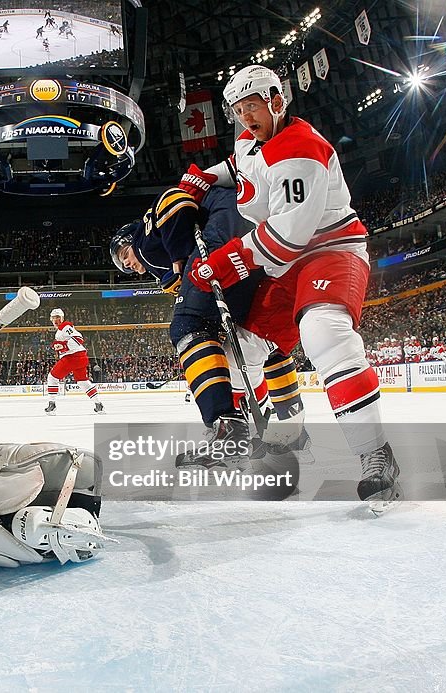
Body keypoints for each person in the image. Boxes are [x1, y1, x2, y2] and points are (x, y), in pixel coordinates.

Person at [178, 65, 399, 509]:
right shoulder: (251, 137)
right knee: (242, 348)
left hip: (330, 249)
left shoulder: (300, 148)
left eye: (252, 107)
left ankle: (377, 455)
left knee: (324, 332)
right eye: (239, 111)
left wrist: (222, 264)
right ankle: (234, 439)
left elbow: (286, 237)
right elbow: (240, 167)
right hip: (288, 263)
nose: (245, 118)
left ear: (277, 101)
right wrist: (203, 178)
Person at [110, 185, 310, 465]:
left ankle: (227, 429)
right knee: (255, 337)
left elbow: (174, 199)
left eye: (124, 257)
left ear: (130, 240)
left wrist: (180, 262)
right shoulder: (160, 263)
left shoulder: (145, 241)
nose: (128, 265)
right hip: (255, 237)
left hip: (224, 232)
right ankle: (291, 423)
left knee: (187, 325)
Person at [44, 307, 103, 415]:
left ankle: (52, 404)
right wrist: (60, 346)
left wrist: (63, 346)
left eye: (58, 317)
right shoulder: (61, 330)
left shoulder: (65, 326)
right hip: (80, 357)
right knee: (82, 382)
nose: (56, 320)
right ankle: (98, 404)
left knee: (52, 377)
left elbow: (79, 339)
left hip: (72, 357)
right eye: (54, 317)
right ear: (50, 319)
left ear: (62, 318)